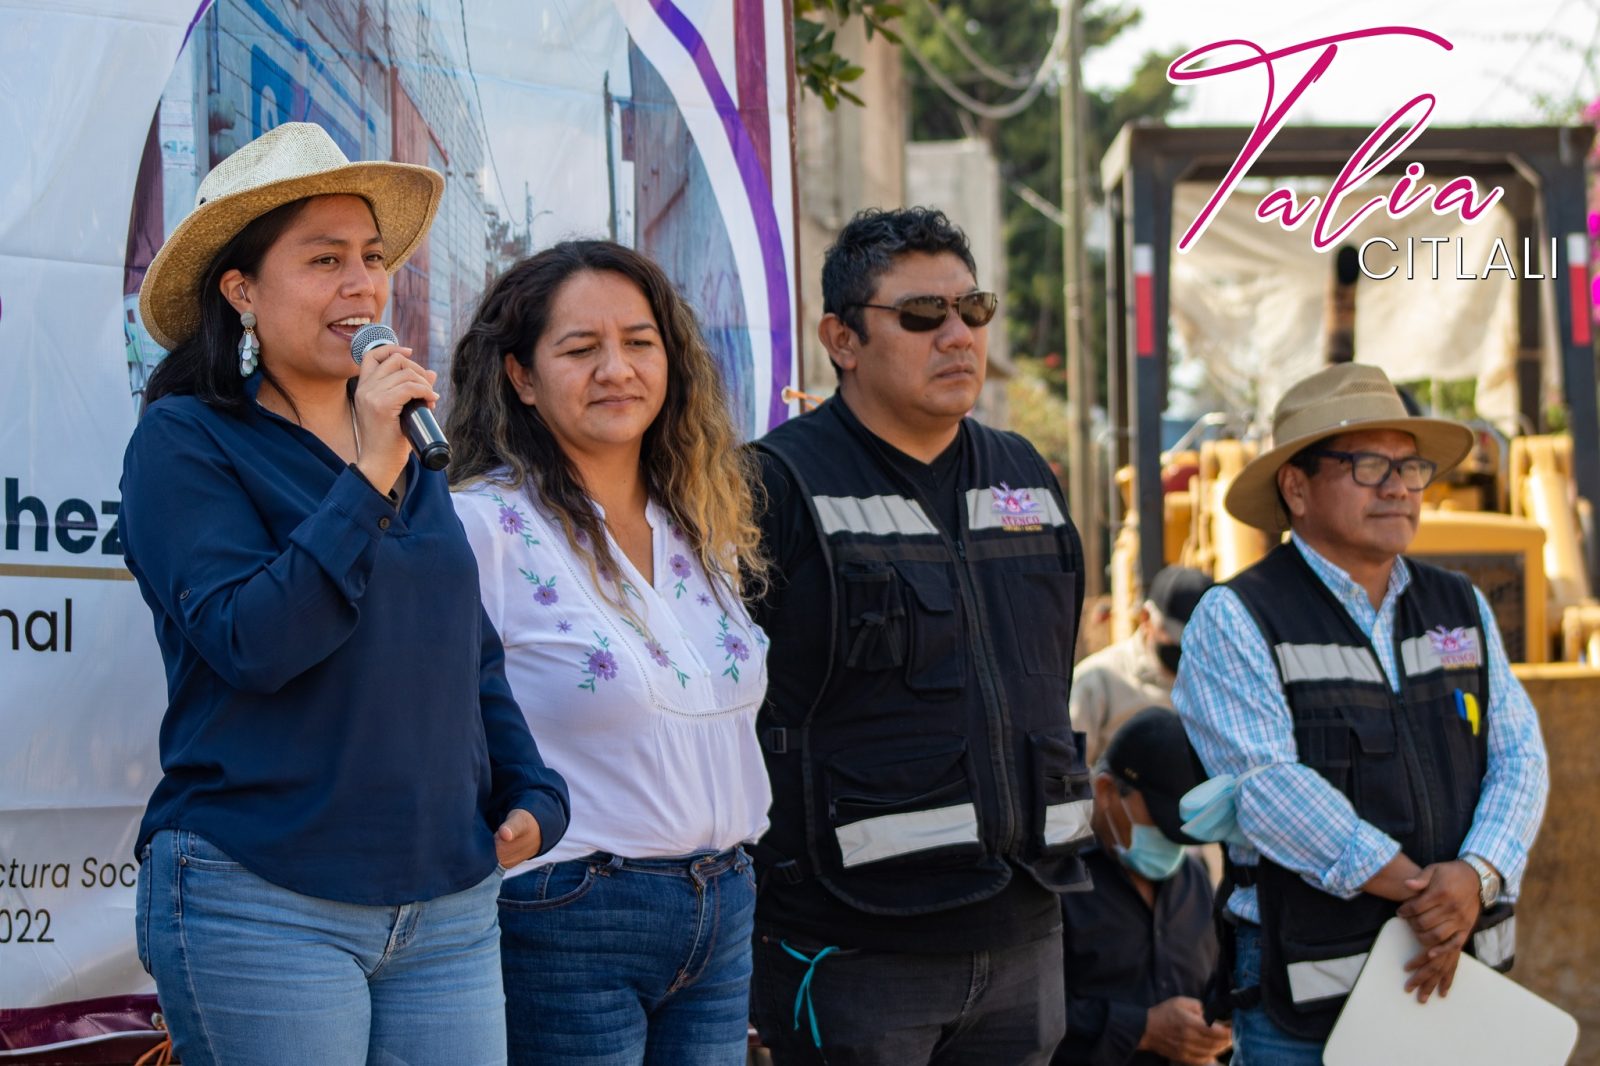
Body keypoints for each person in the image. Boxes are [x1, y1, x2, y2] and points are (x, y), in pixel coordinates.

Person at [119, 122, 570, 1065]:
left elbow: (465, 653)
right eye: (324, 259)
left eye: (371, 258)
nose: (363, 284)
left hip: (447, 906)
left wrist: (532, 789)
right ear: (241, 290)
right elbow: (253, 640)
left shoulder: (408, 455)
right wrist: (365, 472)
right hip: (264, 897)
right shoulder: (188, 440)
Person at [746, 206, 1092, 1065]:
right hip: (857, 948)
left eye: (972, 310)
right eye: (921, 316)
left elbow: (1049, 671)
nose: (959, 337)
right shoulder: (775, 484)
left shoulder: (1023, 473)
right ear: (842, 339)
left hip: (1026, 929)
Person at [446, 240, 772, 1066]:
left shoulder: (700, 525)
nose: (616, 369)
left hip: (723, 905)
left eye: (638, 342)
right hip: (567, 910)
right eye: (580, 349)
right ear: (521, 376)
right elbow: (430, 719)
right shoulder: (480, 526)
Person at [1172, 363, 1549, 1064]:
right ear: (1296, 486)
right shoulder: (1238, 616)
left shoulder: (1459, 606)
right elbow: (1265, 785)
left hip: (1463, 985)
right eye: (1369, 464)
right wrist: (1428, 896)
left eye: (1411, 468)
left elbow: (1520, 755)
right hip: (1311, 1002)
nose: (1399, 486)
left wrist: (1477, 875)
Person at [1053, 707, 1230, 1066]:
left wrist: (1220, 1025)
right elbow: (1024, 1019)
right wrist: (1143, 1030)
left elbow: (1214, 980)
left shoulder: (1194, 878)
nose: (1172, 845)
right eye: (1161, 827)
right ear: (1105, 791)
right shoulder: (1057, 883)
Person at [1071, 566, 1214, 765]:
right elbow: (1069, 772)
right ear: (1146, 618)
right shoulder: (1097, 682)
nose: (1187, 649)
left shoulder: (1215, 682)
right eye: (1179, 638)